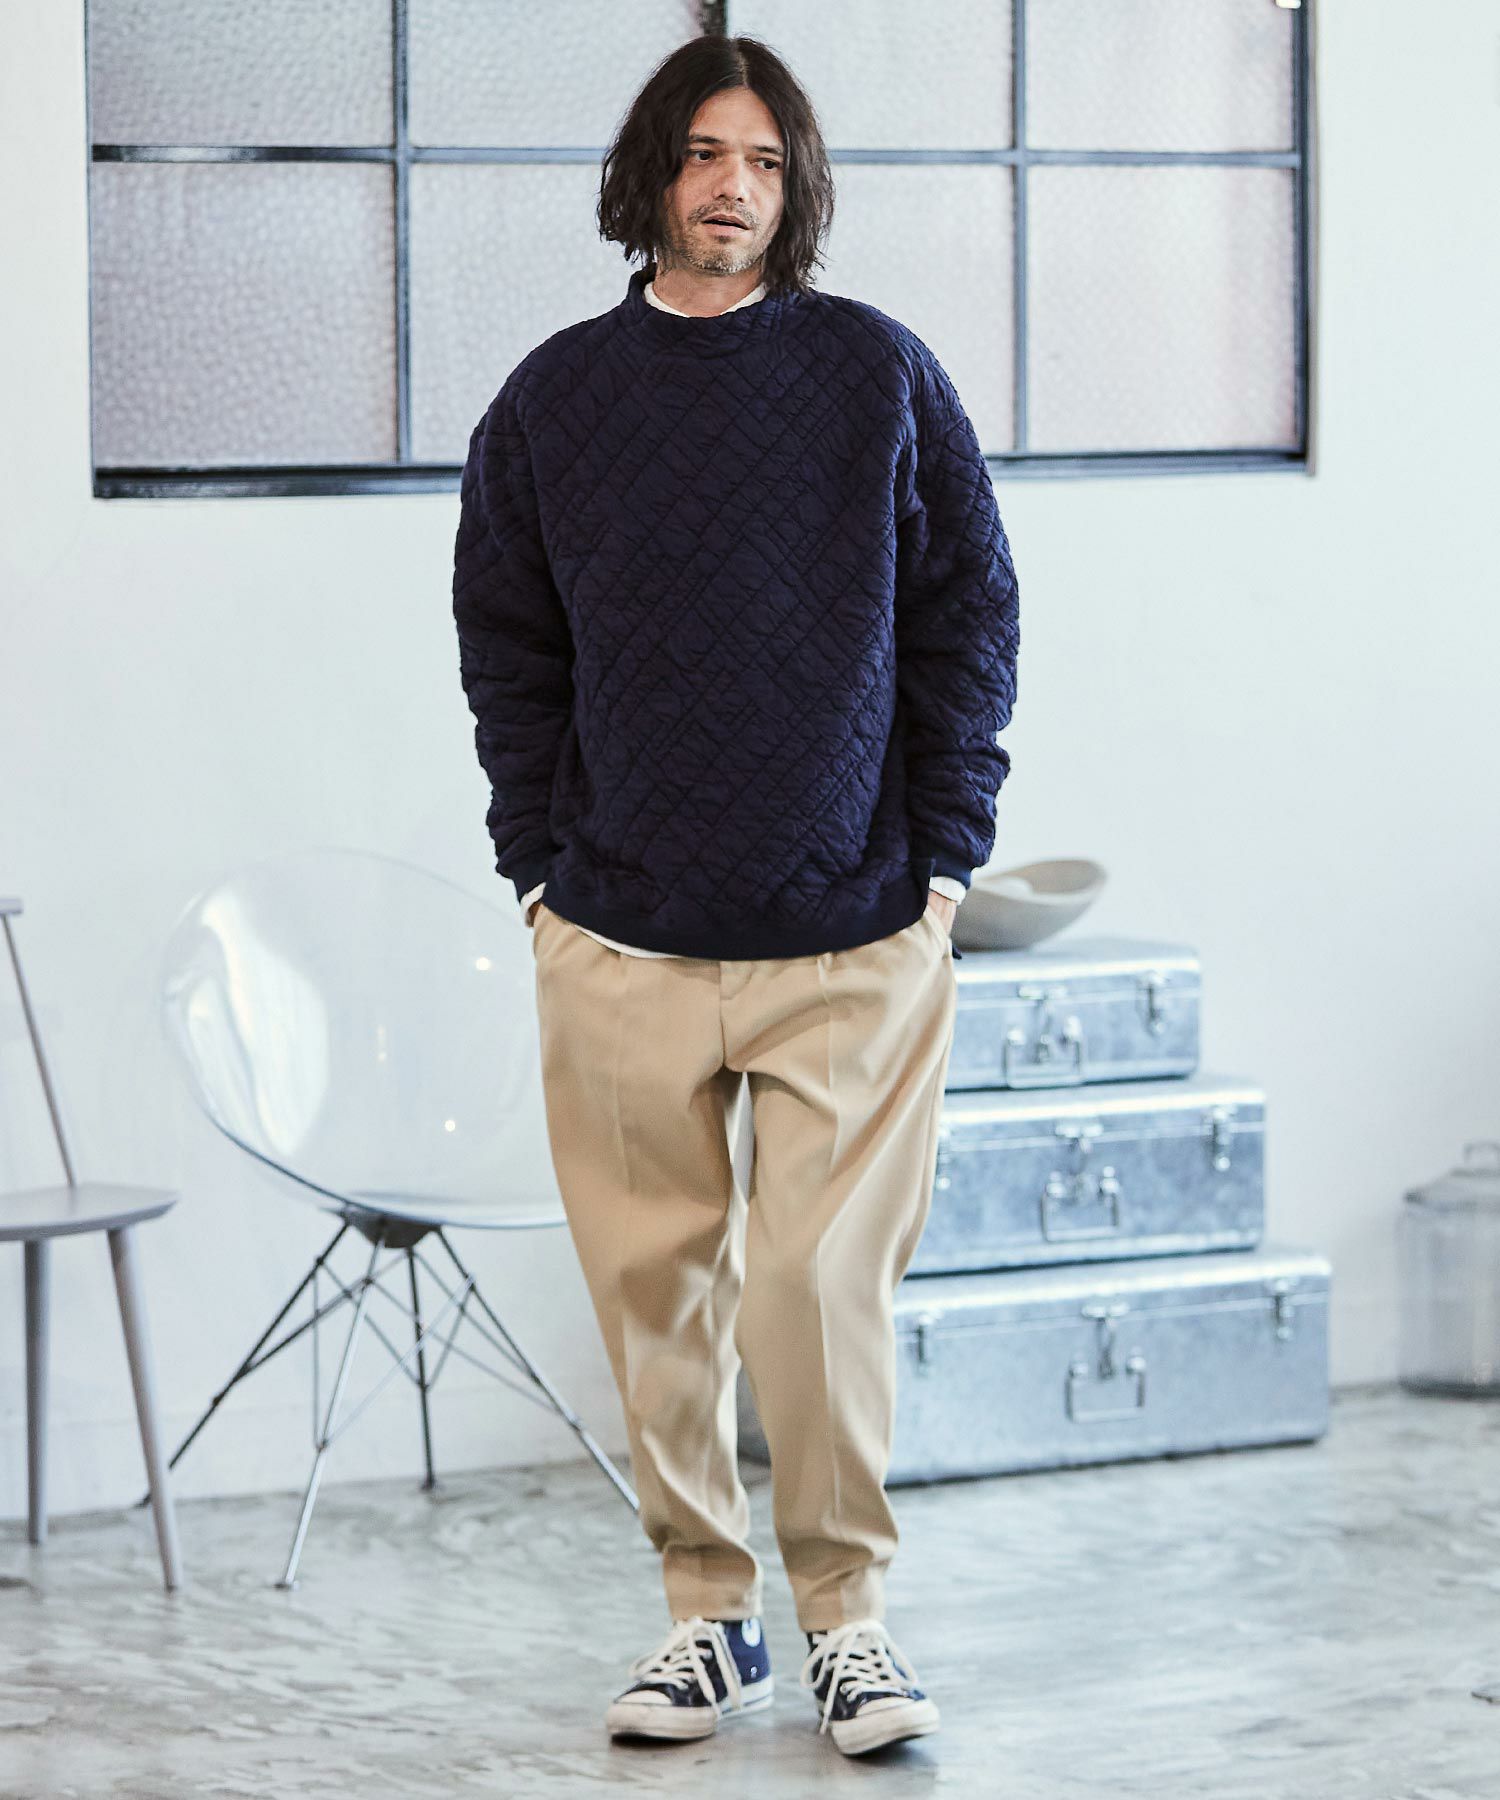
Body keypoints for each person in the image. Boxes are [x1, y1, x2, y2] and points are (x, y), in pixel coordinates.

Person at [452, 32, 1019, 1760]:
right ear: (651, 173)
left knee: (815, 1297)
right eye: (706, 154)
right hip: (617, 930)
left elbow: (971, 613)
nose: (734, 187)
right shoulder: (554, 399)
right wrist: (539, 873)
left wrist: (944, 860)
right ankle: (708, 1618)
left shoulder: (879, 376)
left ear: (800, 189)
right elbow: (508, 648)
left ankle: (849, 1622)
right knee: (658, 1301)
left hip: (853, 930)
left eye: (767, 162)